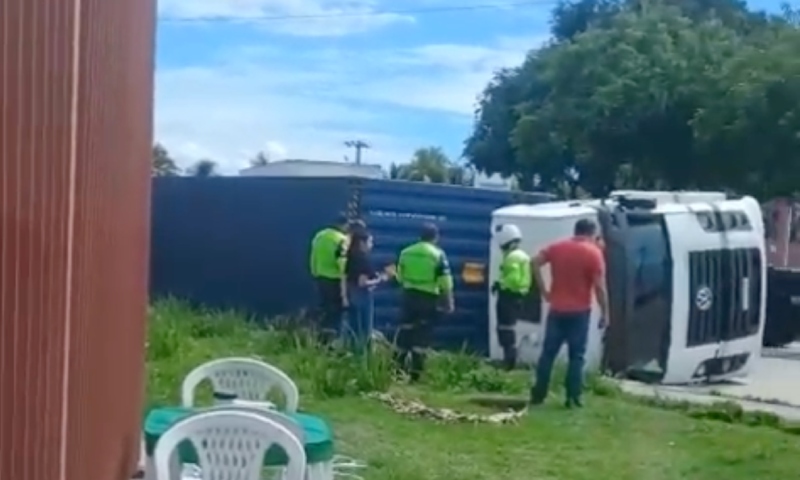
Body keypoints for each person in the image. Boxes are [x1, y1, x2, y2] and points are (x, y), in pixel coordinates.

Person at [529, 218, 609, 408]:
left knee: (548, 355)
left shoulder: (557, 247)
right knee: (576, 356)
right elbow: (599, 288)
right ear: (591, 233)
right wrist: (606, 313)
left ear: (576, 231)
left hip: (556, 309)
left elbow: (534, 262)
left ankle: (539, 394)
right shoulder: (594, 253)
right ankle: (573, 397)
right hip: (579, 312)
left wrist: (544, 291)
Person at [395, 222, 454, 381]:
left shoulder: (406, 252)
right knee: (422, 333)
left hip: (408, 296)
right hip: (427, 299)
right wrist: (448, 302)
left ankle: (397, 369)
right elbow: (445, 281)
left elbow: (399, 276)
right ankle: (416, 373)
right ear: (436, 237)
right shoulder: (438, 255)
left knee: (405, 331)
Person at [491, 224, 532, 371]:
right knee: (509, 328)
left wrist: (500, 284)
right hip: (519, 296)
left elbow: (513, 278)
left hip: (508, 296)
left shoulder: (512, 257)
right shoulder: (522, 255)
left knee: (505, 328)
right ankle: (509, 359)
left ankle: (508, 361)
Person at [343, 229, 391, 352]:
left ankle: (351, 353)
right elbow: (362, 283)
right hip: (362, 296)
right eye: (370, 241)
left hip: (351, 294)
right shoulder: (362, 259)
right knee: (364, 330)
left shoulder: (351, 258)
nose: (371, 244)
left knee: (353, 329)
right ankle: (361, 357)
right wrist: (381, 279)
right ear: (361, 243)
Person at [309, 214, 351, 344]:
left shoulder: (319, 236)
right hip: (336, 280)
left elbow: (313, 257)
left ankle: (321, 339)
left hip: (321, 278)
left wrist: (315, 273)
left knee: (324, 310)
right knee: (336, 313)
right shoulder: (341, 239)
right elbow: (342, 263)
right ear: (344, 225)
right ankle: (333, 341)